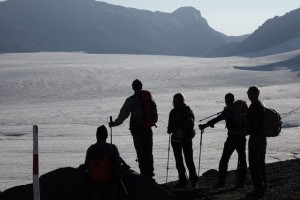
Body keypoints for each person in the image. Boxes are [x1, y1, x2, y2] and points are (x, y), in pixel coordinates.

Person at [109, 79, 156, 179]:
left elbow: (123, 114)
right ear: (141, 86)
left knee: (141, 152)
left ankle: (144, 174)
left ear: (133, 87)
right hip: (148, 128)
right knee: (148, 151)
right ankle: (150, 173)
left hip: (137, 129)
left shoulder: (132, 100)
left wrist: (114, 124)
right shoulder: (149, 97)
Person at [199, 93, 247, 188]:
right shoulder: (237, 110)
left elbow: (216, 119)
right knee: (242, 159)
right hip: (241, 137)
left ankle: (221, 181)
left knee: (224, 159)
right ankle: (241, 181)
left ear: (226, 101)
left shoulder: (227, 112)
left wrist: (205, 125)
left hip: (232, 138)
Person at [167, 93, 198, 188]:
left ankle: (183, 181)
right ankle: (194, 181)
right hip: (187, 139)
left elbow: (169, 129)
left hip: (176, 140)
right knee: (189, 160)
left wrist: (172, 130)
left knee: (179, 161)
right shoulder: (189, 111)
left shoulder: (173, 112)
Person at [85, 125, 121, 200]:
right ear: (106, 136)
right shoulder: (112, 148)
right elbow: (117, 166)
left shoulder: (90, 149)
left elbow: (87, 167)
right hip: (109, 184)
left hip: (94, 184)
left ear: (96, 136)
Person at [245, 86, 266, 198]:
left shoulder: (254, 106)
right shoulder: (261, 105)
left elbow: (249, 121)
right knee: (260, 162)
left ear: (253, 94)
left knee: (254, 164)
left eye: (249, 93)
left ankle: (258, 189)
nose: (248, 95)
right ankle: (263, 186)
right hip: (262, 138)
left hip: (255, 138)